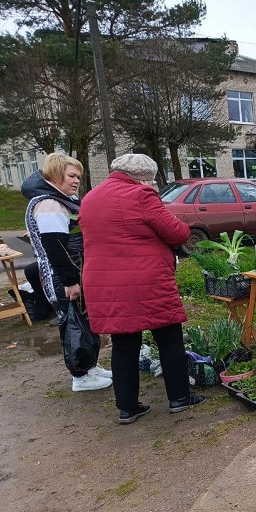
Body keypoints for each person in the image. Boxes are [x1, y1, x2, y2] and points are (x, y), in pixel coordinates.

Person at [79, 154, 205, 424]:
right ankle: (179, 398)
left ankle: (127, 408)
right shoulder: (141, 195)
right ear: (143, 176)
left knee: (124, 345)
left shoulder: (90, 198)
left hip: (105, 283)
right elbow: (177, 234)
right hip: (146, 281)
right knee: (169, 339)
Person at [21, 154, 113, 391]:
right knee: (72, 322)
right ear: (55, 173)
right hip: (61, 277)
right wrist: (70, 281)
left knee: (83, 319)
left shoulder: (63, 200)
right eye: (71, 176)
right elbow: (55, 246)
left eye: (79, 178)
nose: (76, 182)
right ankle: (80, 376)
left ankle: (90, 365)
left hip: (75, 271)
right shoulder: (49, 204)